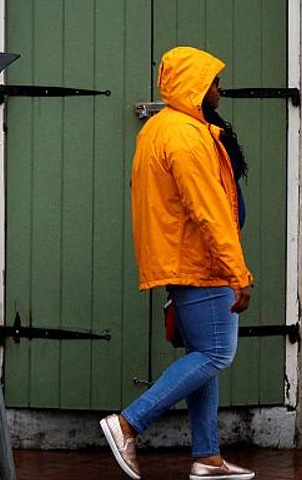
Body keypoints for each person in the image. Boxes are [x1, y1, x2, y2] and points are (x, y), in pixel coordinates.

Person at [100, 46, 255, 480]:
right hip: (201, 262)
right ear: (196, 86)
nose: (220, 88)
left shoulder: (163, 129)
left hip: (184, 259)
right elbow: (209, 210)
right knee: (215, 353)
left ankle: (207, 457)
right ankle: (128, 422)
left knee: (200, 355)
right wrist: (236, 272)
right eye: (214, 81)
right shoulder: (186, 136)